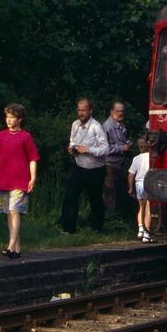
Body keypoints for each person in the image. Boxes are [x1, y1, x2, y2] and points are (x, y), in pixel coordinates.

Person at [0, 103, 39, 259]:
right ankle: (16, 248)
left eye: (12, 117)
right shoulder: (0, 136)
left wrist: (33, 177)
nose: (8, 120)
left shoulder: (25, 136)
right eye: (7, 117)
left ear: (20, 119)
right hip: (4, 180)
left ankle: (10, 246)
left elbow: (33, 158)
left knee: (14, 211)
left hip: (20, 180)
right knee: (8, 213)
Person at [59, 97, 108, 233]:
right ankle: (68, 229)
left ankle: (97, 228)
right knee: (70, 196)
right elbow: (72, 141)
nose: (81, 113)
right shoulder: (75, 124)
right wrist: (71, 148)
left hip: (95, 169)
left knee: (95, 199)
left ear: (90, 111)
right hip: (79, 166)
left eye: (84, 110)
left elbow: (106, 149)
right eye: (79, 110)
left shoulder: (96, 127)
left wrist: (89, 150)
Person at [101, 99, 133, 216]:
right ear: (111, 111)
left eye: (122, 111)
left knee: (120, 192)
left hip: (120, 164)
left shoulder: (121, 125)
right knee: (109, 192)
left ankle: (118, 217)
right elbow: (105, 148)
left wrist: (128, 144)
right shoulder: (106, 126)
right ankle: (109, 218)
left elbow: (123, 141)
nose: (120, 113)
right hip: (109, 165)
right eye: (117, 111)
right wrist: (122, 148)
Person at [128, 135, 152, 243]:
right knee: (149, 209)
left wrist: (130, 188)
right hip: (149, 183)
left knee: (141, 207)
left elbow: (130, 175)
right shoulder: (152, 157)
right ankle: (147, 234)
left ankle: (140, 229)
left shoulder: (136, 158)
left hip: (139, 184)